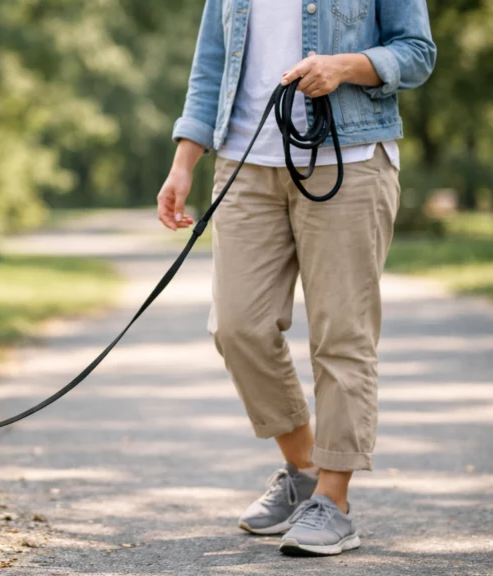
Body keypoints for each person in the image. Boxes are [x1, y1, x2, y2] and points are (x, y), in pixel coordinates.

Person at [159, 0, 436, 557]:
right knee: (238, 327)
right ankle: (304, 467)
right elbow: (211, 62)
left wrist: (345, 66)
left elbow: (417, 51)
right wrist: (185, 160)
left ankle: (334, 503)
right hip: (244, 163)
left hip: (350, 160)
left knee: (342, 335)